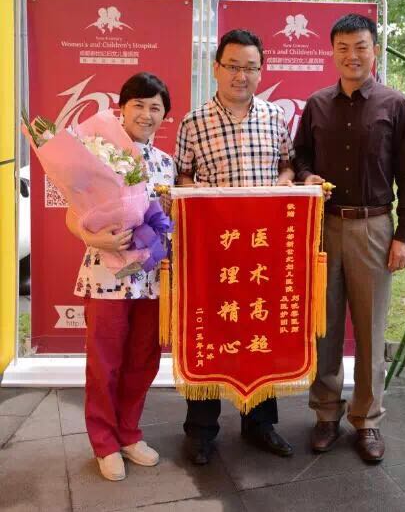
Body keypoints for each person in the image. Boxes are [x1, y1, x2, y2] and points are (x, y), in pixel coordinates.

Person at [293, 14, 405, 463]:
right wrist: (307, 176)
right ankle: (326, 413)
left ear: (375, 50)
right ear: (332, 53)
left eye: (361, 46)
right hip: (324, 226)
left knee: (370, 329)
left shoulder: (395, 104)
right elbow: (301, 156)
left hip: (374, 227)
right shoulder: (317, 104)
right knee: (324, 326)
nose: (352, 56)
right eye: (343, 47)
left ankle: (367, 420)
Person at [174, 28, 295, 465]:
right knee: (211, 330)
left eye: (250, 67)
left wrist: (284, 183)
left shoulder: (275, 117)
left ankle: (260, 423)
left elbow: (288, 166)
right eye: (232, 66)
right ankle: (201, 430)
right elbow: (182, 177)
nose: (241, 76)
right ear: (216, 68)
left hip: (261, 249)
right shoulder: (193, 122)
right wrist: (200, 197)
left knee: (259, 328)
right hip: (215, 250)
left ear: (261, 71)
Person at [66, 72, 175, 481]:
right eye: (138, 105)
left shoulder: (167, 164)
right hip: (106, 276)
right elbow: (73, 213)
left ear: (164, 115)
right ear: (122, 110)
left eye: (155, 107)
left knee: (143, 360)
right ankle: (104, 442)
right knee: (104, 363)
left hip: (152, 279)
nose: (146, 114)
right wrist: (93, 237)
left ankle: (129, 433)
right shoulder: (99, 155)